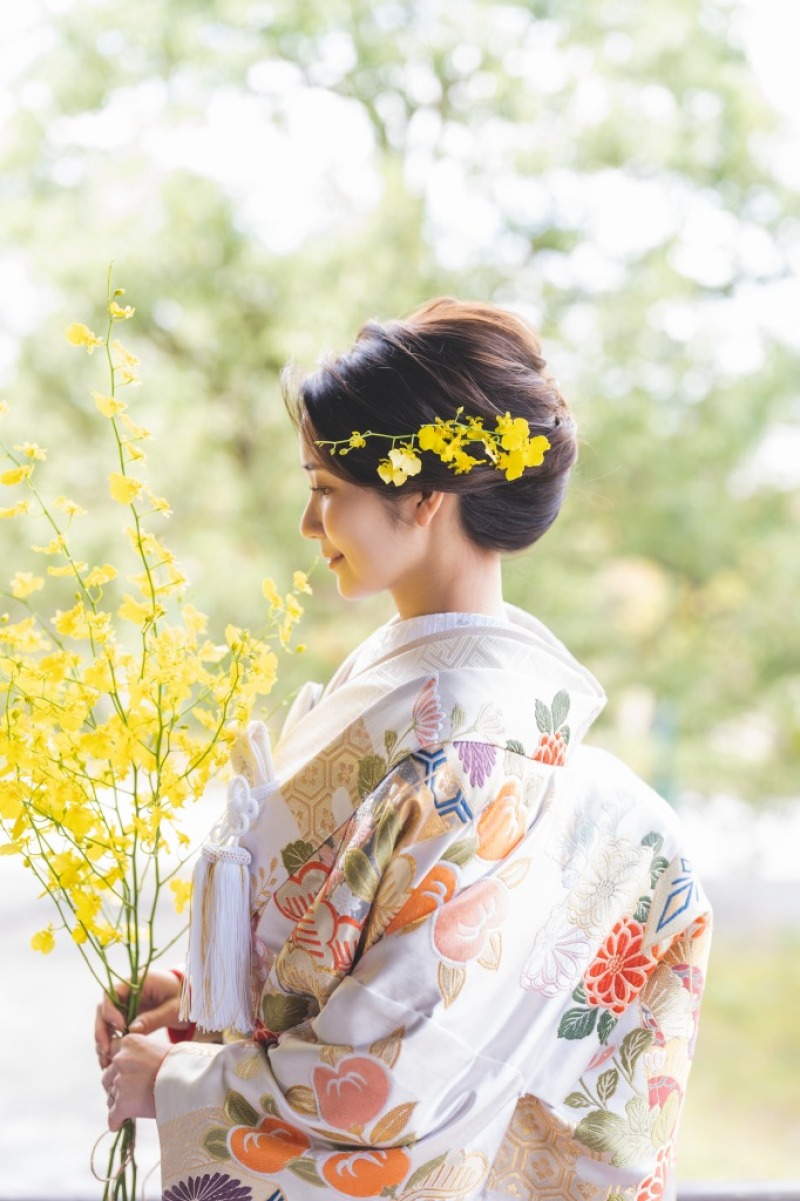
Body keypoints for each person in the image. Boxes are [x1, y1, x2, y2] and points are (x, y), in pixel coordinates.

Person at [96, 299, 711, 1201]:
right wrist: (201, 994)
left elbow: (401, 1053)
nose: (311, 523)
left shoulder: (471, 745)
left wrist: (181, 1083)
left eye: (325, 486)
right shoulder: (420, 690)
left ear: (422, 496)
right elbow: (340, 936)